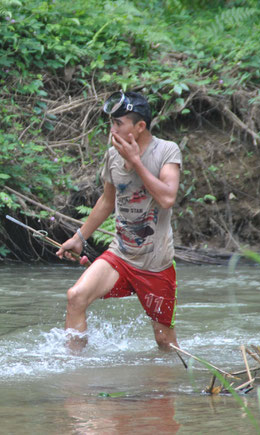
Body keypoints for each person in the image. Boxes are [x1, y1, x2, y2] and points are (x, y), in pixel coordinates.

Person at [56, 91, 182, 351]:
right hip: (120, 256)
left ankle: (167, 386)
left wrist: (136, 162)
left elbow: (167, 198)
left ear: (139, 127)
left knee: (165, 342)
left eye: (118, 123)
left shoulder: (167, 151)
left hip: (155, 264)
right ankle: (73, 372)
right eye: (111, 123)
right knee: (76, 296)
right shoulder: (112, 156)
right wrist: (79, 238)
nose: (112, 130)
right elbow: (106, 201)